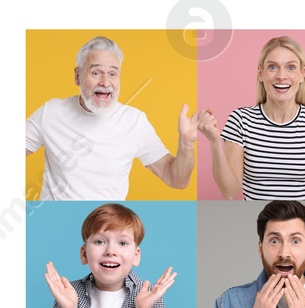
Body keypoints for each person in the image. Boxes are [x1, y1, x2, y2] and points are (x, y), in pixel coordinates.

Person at [26, 36, 198, 201]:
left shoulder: (135, 121)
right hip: (53, 223)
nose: (105, 82)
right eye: (96, 73)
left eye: (113, 74)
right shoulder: (51, 112)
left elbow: (177, 180)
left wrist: (186, 143)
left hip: (105, 226)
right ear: (77, 76)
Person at [197, 36, 305, 200]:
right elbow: (229, 192)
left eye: (291, 67)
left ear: (302, 74)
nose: (281, 76)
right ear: (260, 73)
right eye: (272, 67)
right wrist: (214, 142)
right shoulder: (240, 119)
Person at [39, 203, 173, 308]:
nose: (111, 251)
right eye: (100, 241)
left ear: (136, 256)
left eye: (122, 243)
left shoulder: (150, 297)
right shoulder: (69, 295)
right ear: (84, 253)